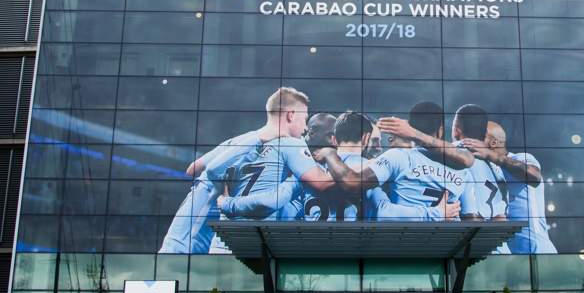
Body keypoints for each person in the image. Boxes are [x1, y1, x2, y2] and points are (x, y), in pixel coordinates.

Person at [159, 87, 338, 252]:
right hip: (216, 242)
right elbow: (319, 182)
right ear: (291, 115)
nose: (306, 127)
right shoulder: (290, 145)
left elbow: (193, 168)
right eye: (304, 118)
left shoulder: (240, 140)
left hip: (190, 241)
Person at [315, 101, 470, 220]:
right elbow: (472, 216)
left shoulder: (397, 157)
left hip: (405, 243)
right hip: (447, 242)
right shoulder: (463, 165)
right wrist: (437, 213)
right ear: (441, 129)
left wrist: (329, 153)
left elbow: (382, 212)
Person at [462, 121, 556, 254]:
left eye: (478, 135)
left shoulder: (521, 158)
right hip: (509, 254)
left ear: (493, 143)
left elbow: (534, 177)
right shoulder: (484, 170)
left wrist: (491, 155)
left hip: (537, 250)